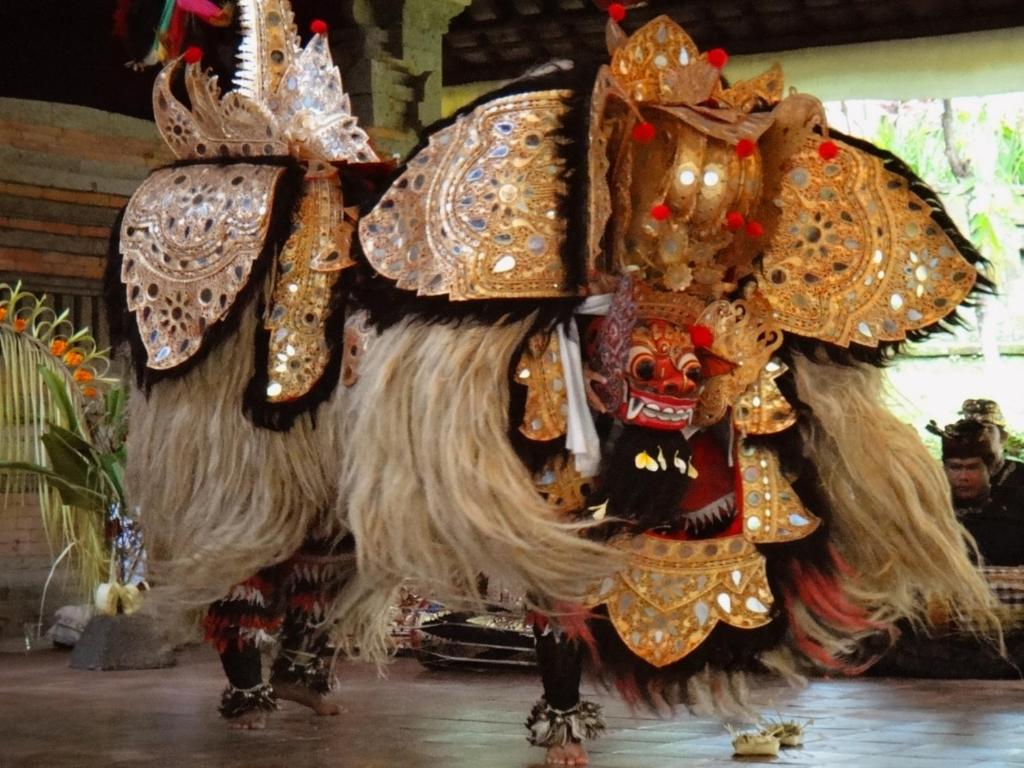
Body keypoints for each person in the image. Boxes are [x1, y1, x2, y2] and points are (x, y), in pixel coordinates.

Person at [941, 418, 1024, 567]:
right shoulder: (931, 509)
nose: (963, 477)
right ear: (944, 469)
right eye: (955, 467)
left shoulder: (1016, 506)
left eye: (972, 467)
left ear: (990, 469)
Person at [959, 399, 1024, 493]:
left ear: (1003, 437)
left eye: (987, 429)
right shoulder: (953, 476)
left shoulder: (1020, 475)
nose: (980, 436)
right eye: (972, 430)